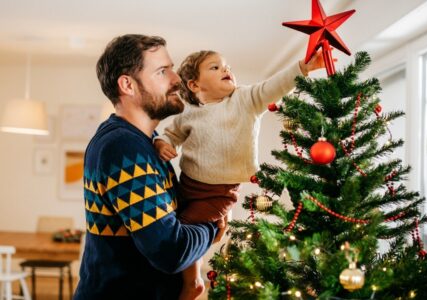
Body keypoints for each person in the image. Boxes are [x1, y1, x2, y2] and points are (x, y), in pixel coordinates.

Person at [154, 49, 326, 299]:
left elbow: (273, 86)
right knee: (179, 218)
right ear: (194, 84)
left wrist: (303, 67)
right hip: (188, 185)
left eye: (227, 66)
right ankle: (218, 223)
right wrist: (162, 144)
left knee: (185, 229)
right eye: (215, 67)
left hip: (220, 191)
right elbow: (170, 134)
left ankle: (194, 282)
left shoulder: (245, 99)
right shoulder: (187, 113)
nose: (226, 70)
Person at [73, 34, 226, 300]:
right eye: (162, 71)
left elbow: (173, 221)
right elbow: (171, 251)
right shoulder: (121, 146)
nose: (177, 79)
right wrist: (213, 227)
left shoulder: (149, 142)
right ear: (127, 85)